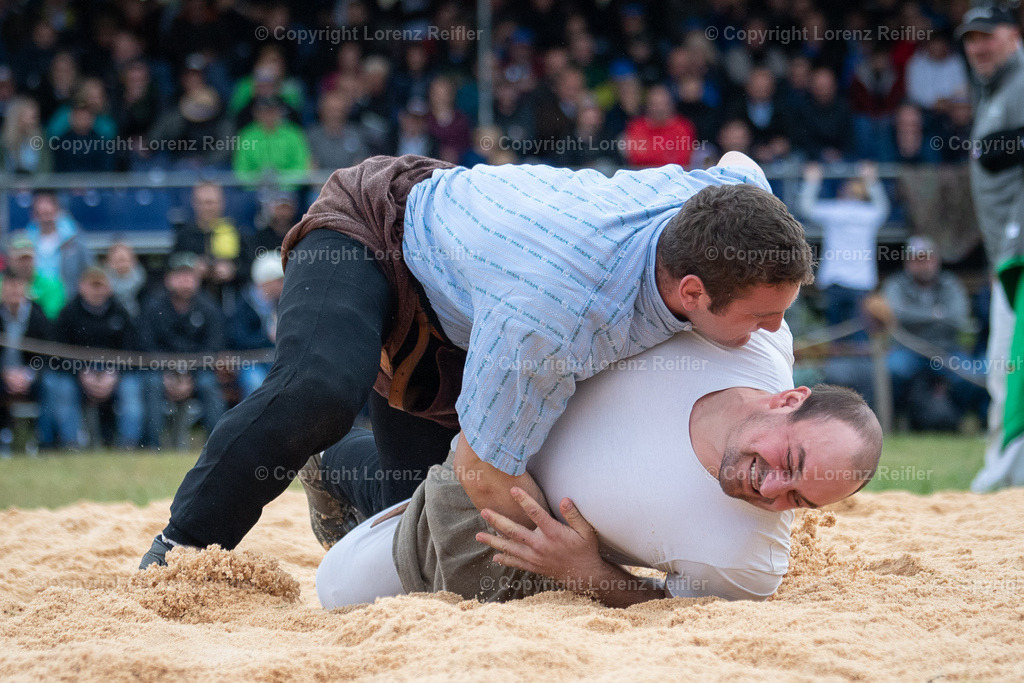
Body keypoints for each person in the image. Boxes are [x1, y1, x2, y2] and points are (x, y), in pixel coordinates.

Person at [139, 151, 815, 569]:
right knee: (318, 391)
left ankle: (338, 469)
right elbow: (487, 471)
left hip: (477, 296)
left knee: (426, 510)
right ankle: (181, 549)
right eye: (762, 316)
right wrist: (593, 569)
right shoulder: (556, 319)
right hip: (381, 229)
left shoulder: (731, 201)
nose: (775, 330)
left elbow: (742, 164)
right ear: (691, 292)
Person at [313, 323, 881, 608]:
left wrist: (586, 572)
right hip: (485, 418)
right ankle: (328, 458)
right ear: (789, 400)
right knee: (346, 576)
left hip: (514, 540)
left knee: (336, 589)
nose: (773, 488)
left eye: (799, 499)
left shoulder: (751, 562)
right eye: (792, 460)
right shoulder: (750, 339)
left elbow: (668, 610)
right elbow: (738, 183)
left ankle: (350, 473)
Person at [958, 6, 1024, 490]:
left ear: (1013, 34)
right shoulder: (995, 88)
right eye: (970, 39)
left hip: (1019, 250)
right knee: (1006, 362)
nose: (978, 46)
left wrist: (1004, 147)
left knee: (1010, 362)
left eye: (988, 36)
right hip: (1006, 249)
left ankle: (1004, 473)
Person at [881, 236, 980, 430]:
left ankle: (957, 420)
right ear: (907, 262)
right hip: (907, 349)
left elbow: (958, 318)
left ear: (936, 260)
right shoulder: (895, 284)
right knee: (890, 371)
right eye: (917, 259)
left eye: (926, 259)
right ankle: (895, 421)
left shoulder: (951, 283)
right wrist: (937, 314)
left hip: (946, 350)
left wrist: (914, 317)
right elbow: (894, 314)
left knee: (971, 374)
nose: (923, 264)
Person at [45, 267, 143, 448]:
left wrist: (115, 373)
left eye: (100, 285)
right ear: (81, 286)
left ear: (109, 287)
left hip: (115, 372)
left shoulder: (121, 312)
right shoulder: (68, 313)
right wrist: (80, 372)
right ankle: (70, 444)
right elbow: (57, 353)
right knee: (62, 388)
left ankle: (129, 444)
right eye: (92, 285)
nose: (97, 290)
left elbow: (132, 351)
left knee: (131, 389)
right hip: (75, 373)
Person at [139, 253, 226, 448]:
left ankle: (216, 445)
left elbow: (214, 346)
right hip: (158, 370)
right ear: (168, 279)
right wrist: (168, 374)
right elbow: (146, 346)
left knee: (209, 385)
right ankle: (152, 445)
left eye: (190, 275)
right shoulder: (153, 305)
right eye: (180, 275)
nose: (186, 281)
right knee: (152, 384)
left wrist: (189, 376)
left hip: (198, 370)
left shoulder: (208, 307)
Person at [799, 161, 890, 337]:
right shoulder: (867, 213)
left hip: (843, 283)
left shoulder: (837, 210)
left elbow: (806, 207)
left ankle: (842, 364)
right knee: (856, 336)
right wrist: (872, 181)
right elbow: (883, 208)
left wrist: (812, 181)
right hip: (851, 283)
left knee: (841, 335)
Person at [0, 269, 50, 453]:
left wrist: (29, 374)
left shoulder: (38, 315)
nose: (13, 291)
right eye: (9, 286)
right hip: (3, 376)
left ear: (25, 289)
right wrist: (5, 374)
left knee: (51, 385)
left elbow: (48, 355)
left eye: (17, 286)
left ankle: (44, 441)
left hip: (32, 376)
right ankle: (4, 437)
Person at [19, 191, 92, 299]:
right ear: (34, 213)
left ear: (58, 210)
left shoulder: (75, 241)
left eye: (48, 206)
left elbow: (88, 271)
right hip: (35, 302)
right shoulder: (24, 242)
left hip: (69, 302)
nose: (44, 210)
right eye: (40, 210)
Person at [229, 252, 282, 398]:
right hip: (250, 362)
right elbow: (239, 340)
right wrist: (267, 337)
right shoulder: (243, 304)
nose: (284, 284)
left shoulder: (282, 303)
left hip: (276, 360)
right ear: (266, 280)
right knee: (255, 383)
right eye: (279, 280)